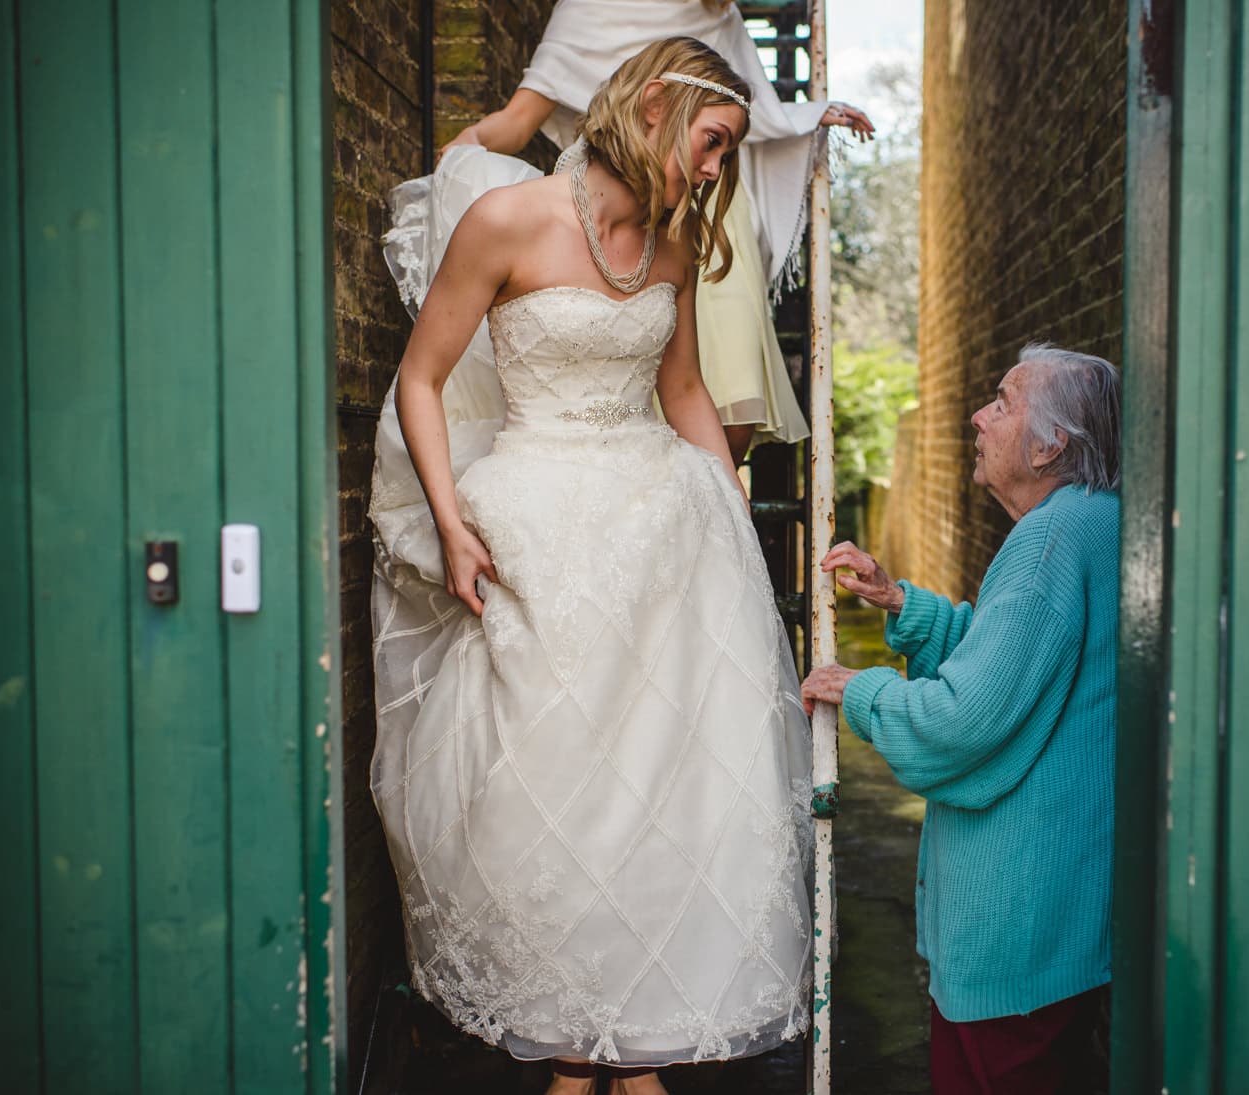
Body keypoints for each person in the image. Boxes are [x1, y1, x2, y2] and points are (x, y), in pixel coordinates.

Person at [367, 38, 813, 1095]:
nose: (714, 169)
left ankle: (643, 1041)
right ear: (655, 105)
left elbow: (688, 395)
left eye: (729, 154)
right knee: (553, 785)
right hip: (538, 529)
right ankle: (574, 1046)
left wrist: (735, 536)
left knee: (663, 785)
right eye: (712, 142)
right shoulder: (507, 221)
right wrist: (450, 522)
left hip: (660, 535)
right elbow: (422, 381)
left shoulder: (673, 241)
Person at [800, 345, 1121, 1095]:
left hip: (1019, 928)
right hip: (1067, 917)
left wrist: (862, 689)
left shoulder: (1046, 543)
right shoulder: (1094, 522)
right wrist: (901, 605)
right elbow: (1017, 657)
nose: (978, 416)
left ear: (1049, 446)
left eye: (1002, 403)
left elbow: (966, 716)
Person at [442, 0, 874, 464]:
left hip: (711, 223)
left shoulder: (720, 17)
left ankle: (708, 507)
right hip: (610, 210)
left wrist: (808, 116)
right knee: (627, 402)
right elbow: (519, 119)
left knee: (733, 407)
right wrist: (464, 152)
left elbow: (744, 112)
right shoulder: (588, 9)